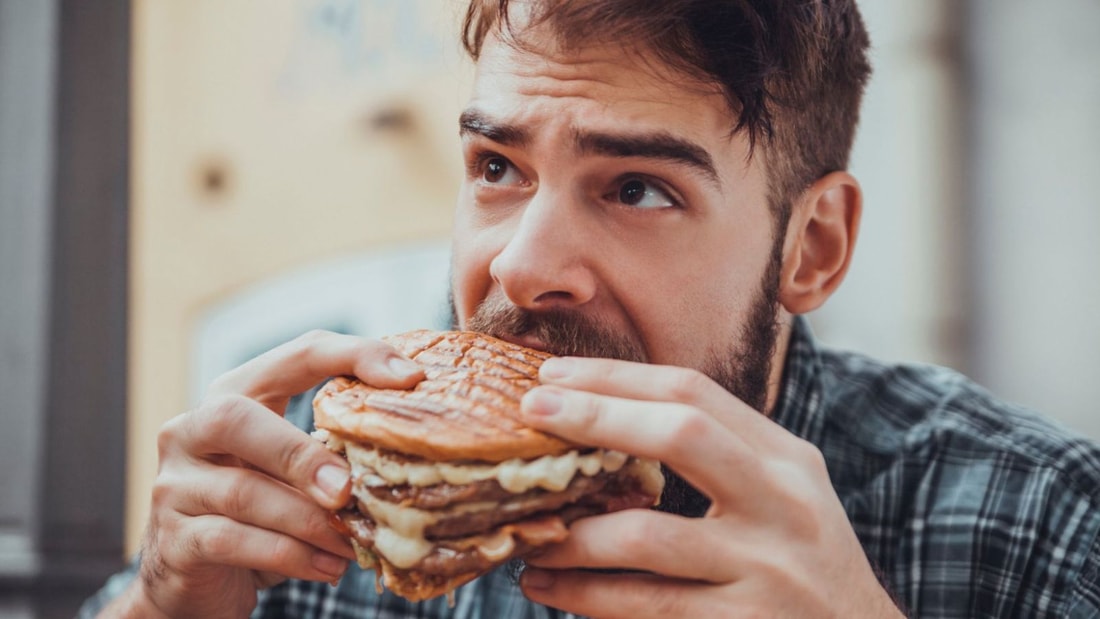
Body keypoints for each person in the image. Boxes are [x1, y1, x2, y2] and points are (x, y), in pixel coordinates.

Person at [82, 1, 1100, 617]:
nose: (522, 269)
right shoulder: (328, 491)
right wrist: (161, 603)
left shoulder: (1033, 521)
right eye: (495, 166)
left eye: (635, 189)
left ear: (812, 247)